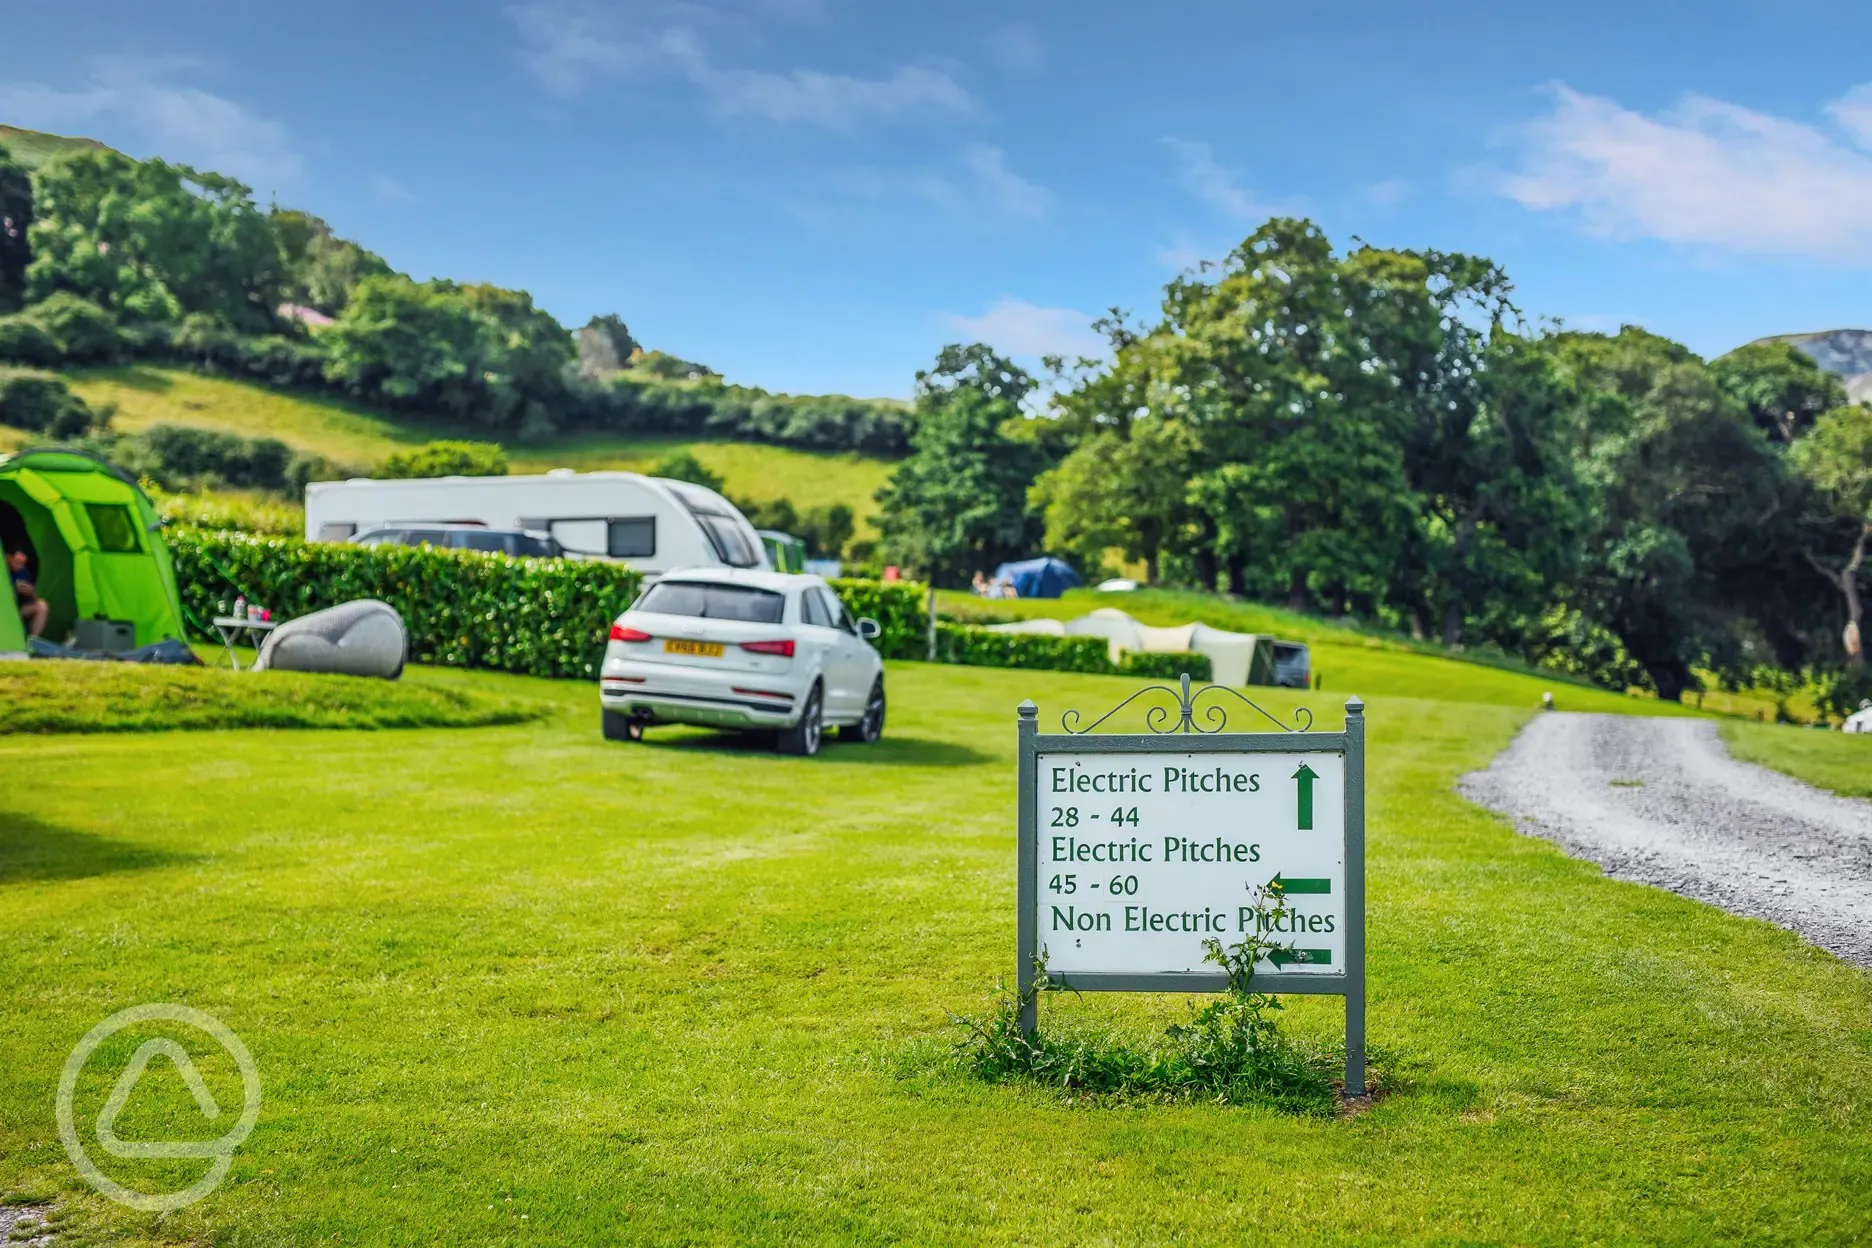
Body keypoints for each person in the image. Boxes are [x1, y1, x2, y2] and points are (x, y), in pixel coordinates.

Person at [7, 549, 47, 638]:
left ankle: (32, 641)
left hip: (17, 609)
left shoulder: (24, 573)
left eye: (22, 564)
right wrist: (13, 588)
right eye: (17, 563)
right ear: (9, 558)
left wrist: (31, 592)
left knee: (42, 605)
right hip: (4, 610)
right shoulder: (4, 571)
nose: (20, 567)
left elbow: (34, 599)